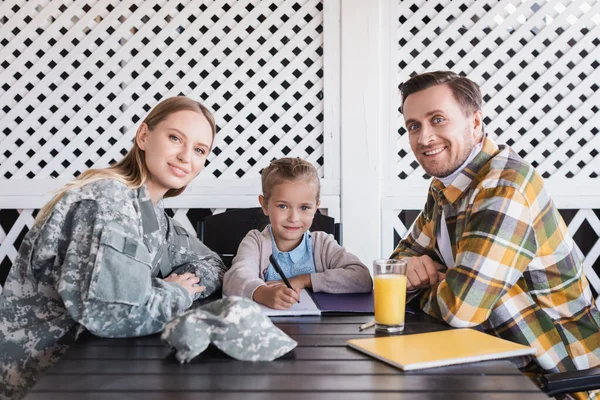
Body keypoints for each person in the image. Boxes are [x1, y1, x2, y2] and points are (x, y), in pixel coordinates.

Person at [0, 96, 227, 399]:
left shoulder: (148, 209)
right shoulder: (108, 202)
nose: (186, 156)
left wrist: (168, 288)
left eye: (199, 150)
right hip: (43, 378)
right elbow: (114, 316)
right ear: (144, 136)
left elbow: (211, 262)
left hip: (94, 369)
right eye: (175, 138)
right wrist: (177, 292)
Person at [391, 71, 600, 399]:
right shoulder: (446, 185)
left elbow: (461, 310)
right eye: (414, 126)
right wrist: (421, 276)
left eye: (438, 119)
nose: (424, 137)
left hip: (556, 376)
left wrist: (423, 285)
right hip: (491, 355)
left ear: (475, 123)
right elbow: (395, 265)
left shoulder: (505, 186)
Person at [223, 157, 372, 310]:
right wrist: (263, 293)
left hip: (321, 330)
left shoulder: (323, 244)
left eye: (304, 208)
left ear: (316, 208)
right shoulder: (256, 242)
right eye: (283, 206)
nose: (293, 218)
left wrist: (304, 280)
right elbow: (234, 278)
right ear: (265, 205)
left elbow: (362, 278)